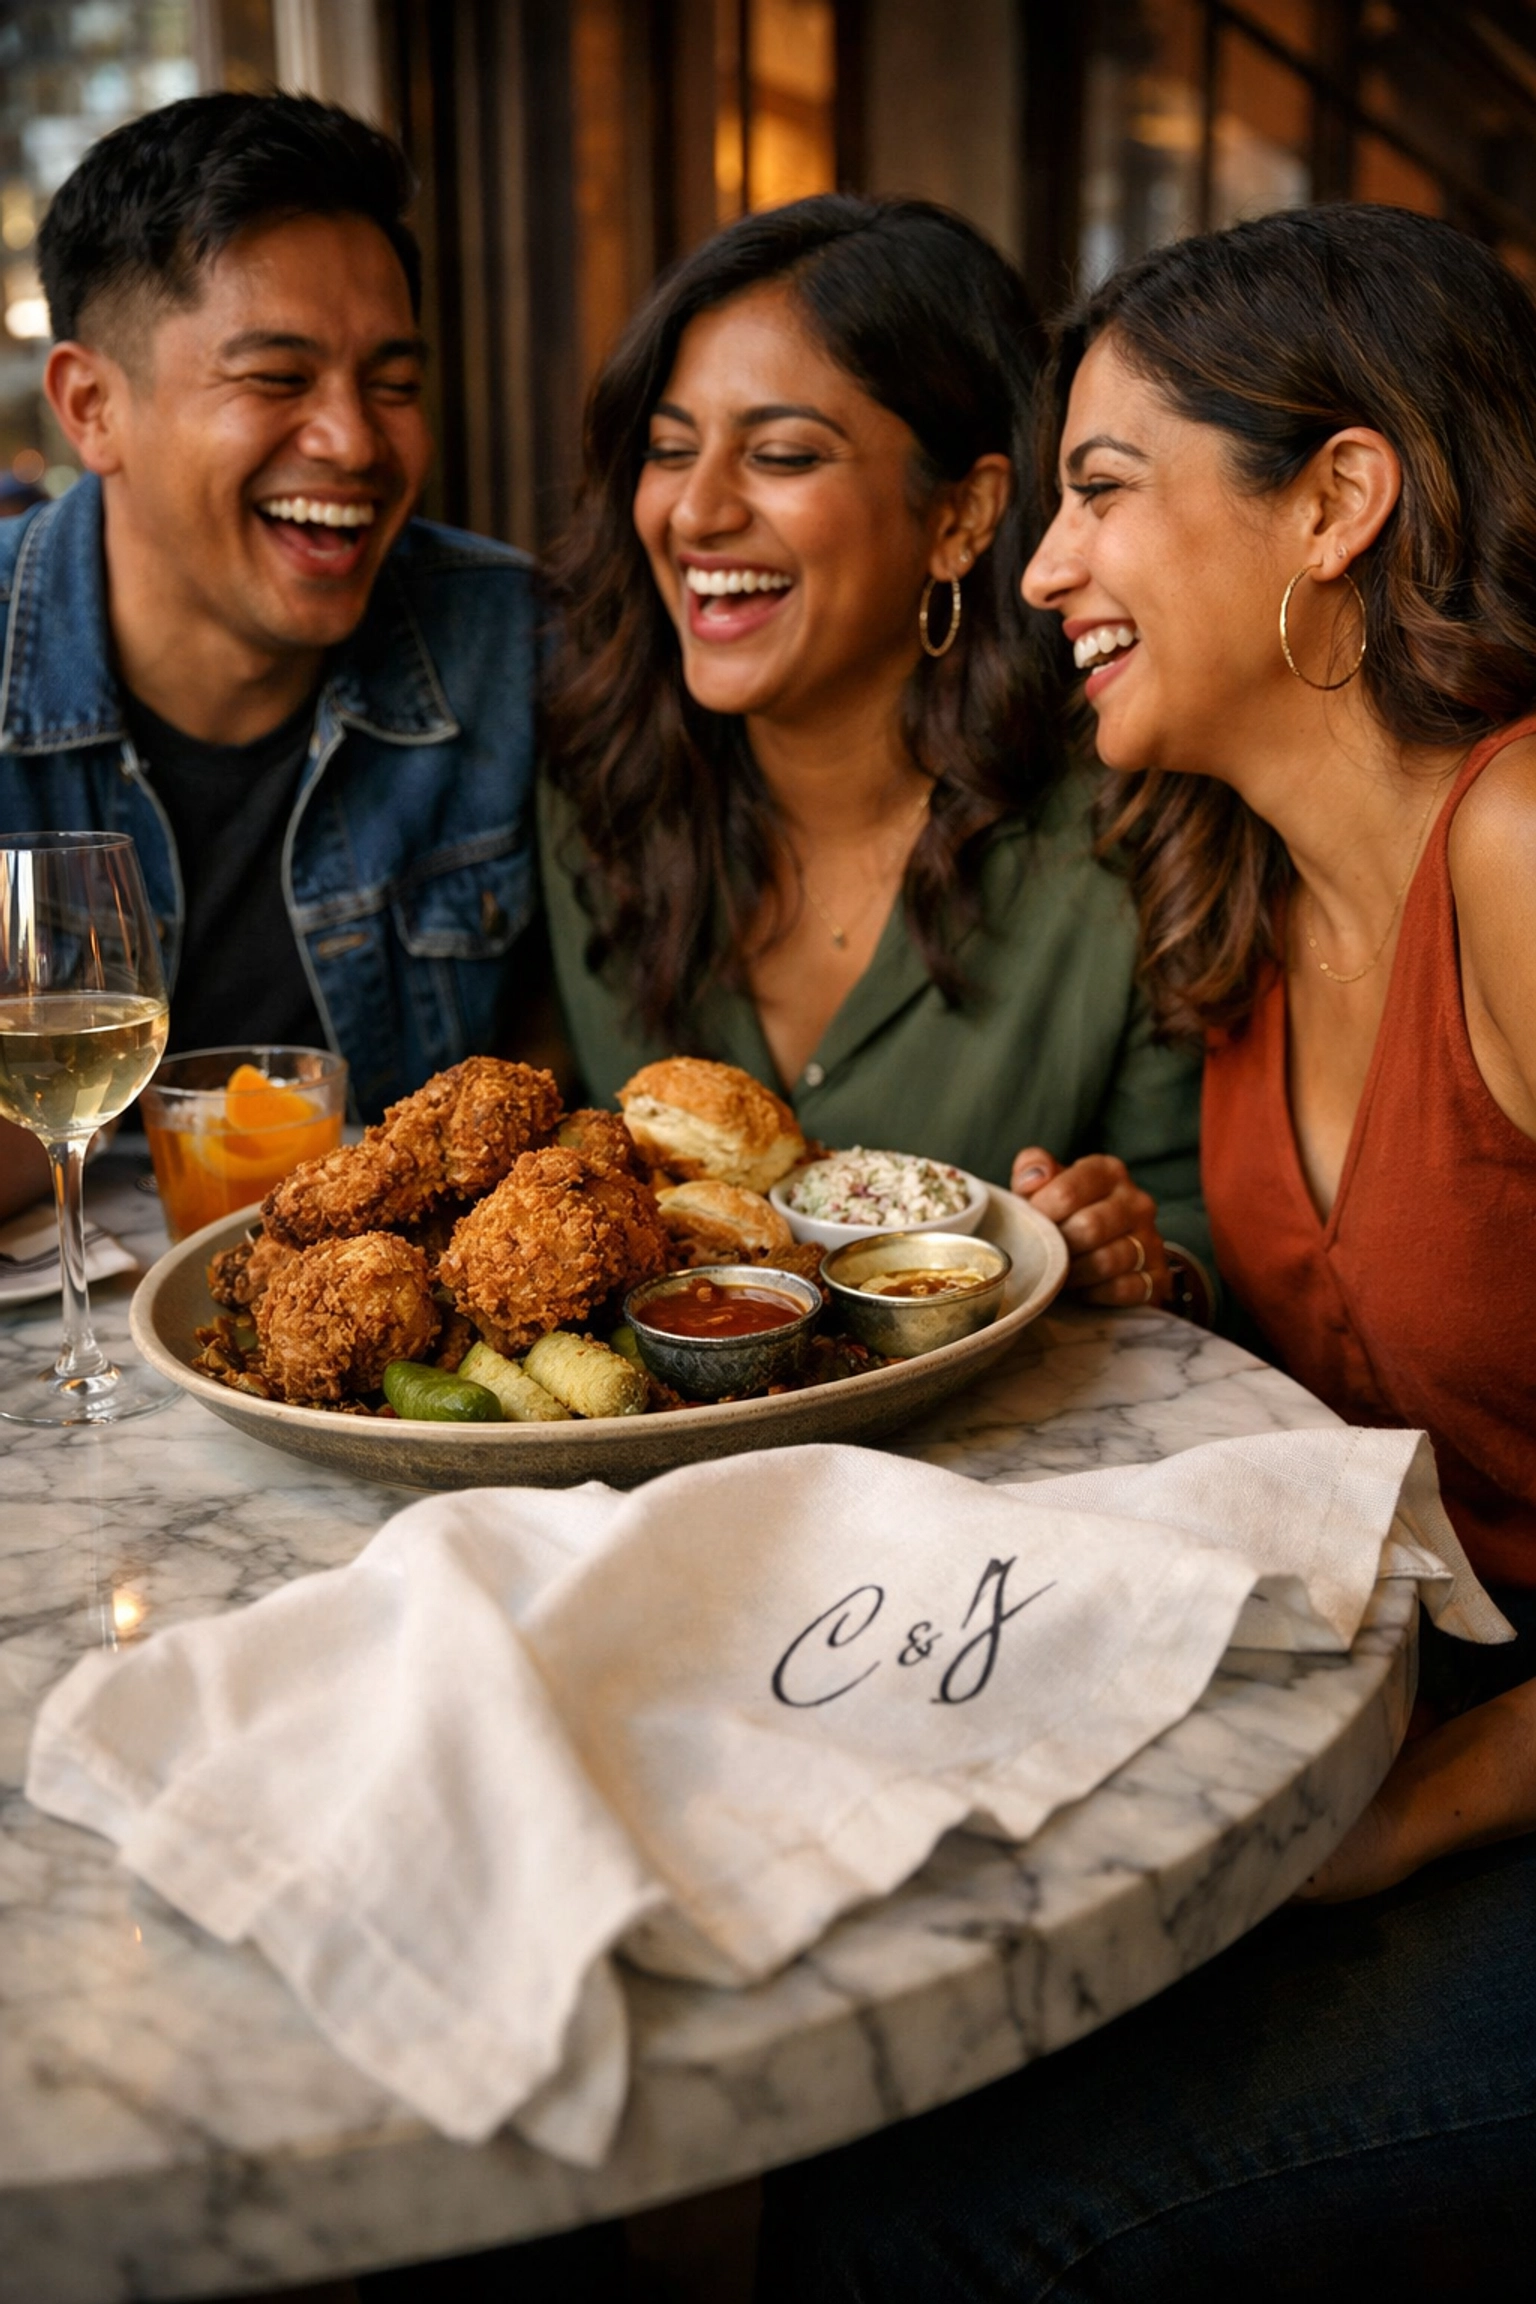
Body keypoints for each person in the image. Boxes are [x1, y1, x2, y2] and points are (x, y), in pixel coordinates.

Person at [758, 204, 1536, 2299]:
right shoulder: (1245, 887)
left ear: (1339, 503)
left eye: (1101, 489)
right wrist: (1164, 1286)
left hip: (1483, 1762)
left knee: (947, 2218)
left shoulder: (1525, 847)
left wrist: (1421, 1810)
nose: (1041, 568)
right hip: (1401, 1702)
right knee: (873, 2078)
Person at [542, 195, 1213, 1315]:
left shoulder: (1127, 825)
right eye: (668, 450)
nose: (695, 511)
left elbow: (1199, 1226)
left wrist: (1133, 1252)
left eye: (781, 454)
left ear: (962, 516)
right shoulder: (596, 785)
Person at [0, 92, 541, 1220]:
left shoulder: (519, 642)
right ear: (91, 407)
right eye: (277, 379)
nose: (353, 440)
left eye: (394, 385)